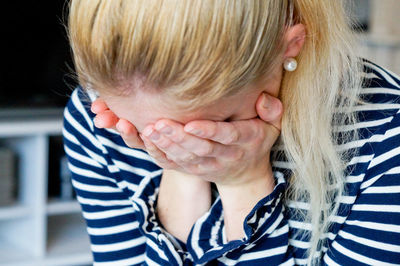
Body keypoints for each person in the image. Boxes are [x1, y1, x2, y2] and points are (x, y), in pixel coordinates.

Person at [63, 0, 400, 265]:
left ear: (291, 45)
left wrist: (244, 185)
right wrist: (181, 175)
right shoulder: (97, 119)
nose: (181, 147)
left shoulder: (387, 140)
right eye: (144, 132)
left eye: (214, 128)